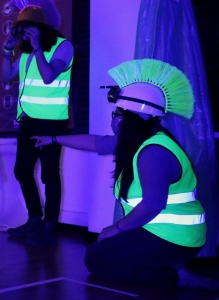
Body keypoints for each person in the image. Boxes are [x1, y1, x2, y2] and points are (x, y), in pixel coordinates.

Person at [33, 59, 217, 289]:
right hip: (156, 229)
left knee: (97, 261)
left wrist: (116, 228)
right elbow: (95, 142)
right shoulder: (138, 141)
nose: (115, 120)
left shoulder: (154, 151)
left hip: (176, 236)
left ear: (136, 118)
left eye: (119, 114)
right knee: (99, 252)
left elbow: (152, 205)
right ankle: (168, 266)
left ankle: (178, 277)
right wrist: (52, 139)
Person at [2, 0, 74, 246]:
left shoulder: (63, 47)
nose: (23, 34)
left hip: (52, 123)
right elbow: (6, 77)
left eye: (28, 29)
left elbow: (48, 76)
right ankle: (34, 218)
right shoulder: (25, 54)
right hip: (29, 122)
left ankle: (49, 225)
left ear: (41, 28)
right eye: (22, 30)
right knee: (22, 171)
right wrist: (7, 52)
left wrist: (36, 49)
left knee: (50, 175)